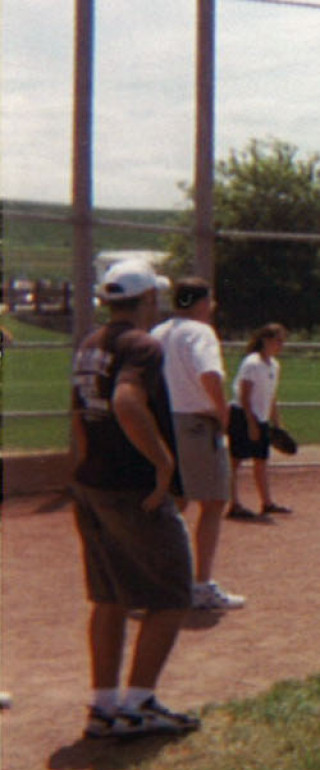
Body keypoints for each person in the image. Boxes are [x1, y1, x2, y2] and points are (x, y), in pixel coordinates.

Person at [69, 260, 201, 742]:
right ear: (148, 299)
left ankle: (104, 707)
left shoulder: (90, 344)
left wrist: (82, 469)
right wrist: (164, 466)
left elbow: (82, 414)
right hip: (132, 489)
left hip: (92, 485)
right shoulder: (142, 345)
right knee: (170, 596)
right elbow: (127, 402)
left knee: (109, 598)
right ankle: (139, 702)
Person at [152, 278, 243, 611]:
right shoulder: (200, 332)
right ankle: (200, 584)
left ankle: (160, 580)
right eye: (210, 300)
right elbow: (210, 375)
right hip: (195, 423)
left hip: (163, 422)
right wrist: (223, 413)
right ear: (202, 302)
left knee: (174, 502)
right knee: (214, 501)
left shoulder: (159, 331)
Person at [229, 323, 290, 519]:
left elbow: (272, 396)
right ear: (265, 340)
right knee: (235, 461)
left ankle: (267, 503)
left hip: (260, 418)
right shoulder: (252, 363)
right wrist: (251, 423)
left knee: (261, 461)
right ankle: (234, 504)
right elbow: (244, 396)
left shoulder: (274, 365)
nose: (281, 345)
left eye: (282, 341)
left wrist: (277, 424)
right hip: (242, 415)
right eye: (277, 340)